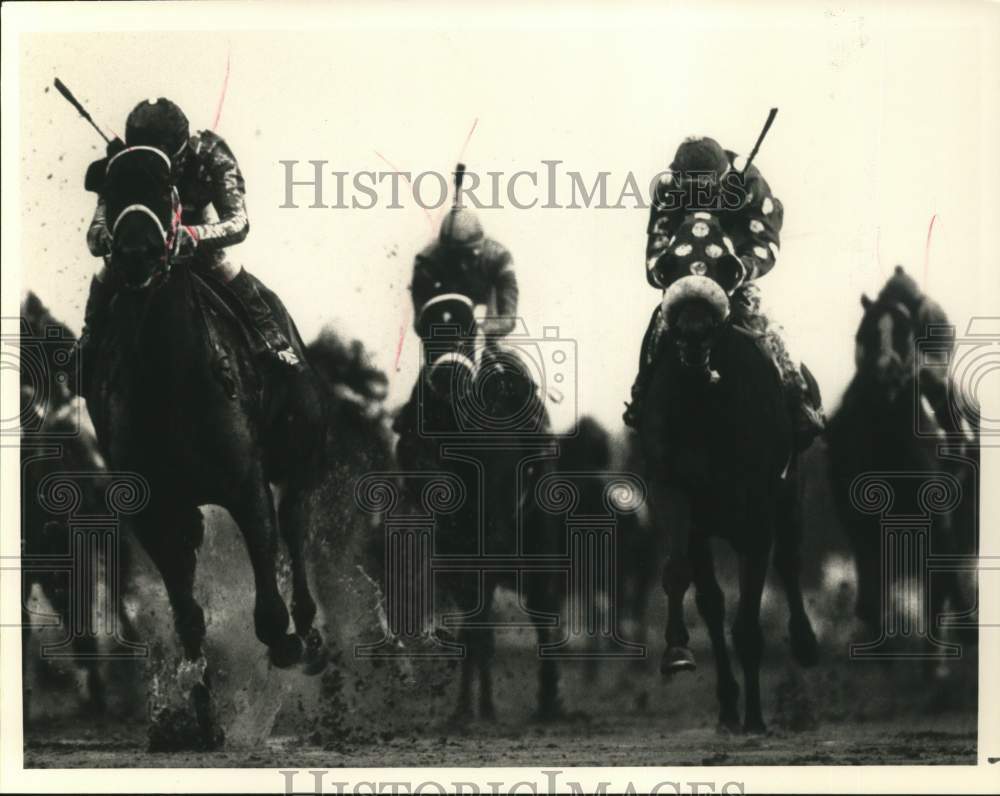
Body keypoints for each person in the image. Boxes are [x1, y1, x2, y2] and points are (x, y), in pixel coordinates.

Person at [623, 135, 825, 450]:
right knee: (659, 329)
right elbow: (656, 248)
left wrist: (739, 268)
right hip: (684, 283)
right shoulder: (666, 189)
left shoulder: (750, 183)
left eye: (706, 187)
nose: (699, 195)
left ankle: (798, 399)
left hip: (735, 280)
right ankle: (642, 395)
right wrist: (670, 271)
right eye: (691, 188)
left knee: (767, 329)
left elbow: (766, 243)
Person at [77, 97, 299, 383]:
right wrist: (110, 238)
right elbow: (96, 230)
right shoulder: (125, 161)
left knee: (225, 267)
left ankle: (271, 340)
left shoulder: (212, 153)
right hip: (146, 244)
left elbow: (239, 222)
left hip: (197, 231)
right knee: (105, 273)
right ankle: (89, 343)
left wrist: (195, 234)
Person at [392, 205, 518, 438]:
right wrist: (446, 330)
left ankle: (540, 434)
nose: (461, 266)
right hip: (447, 339)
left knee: (518, 372)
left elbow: (509, 318)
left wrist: (478, 330)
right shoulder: (426, 261)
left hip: (486, 334)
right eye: (453, 259)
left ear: (480, 250)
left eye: (468, 258)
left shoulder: (500, 258)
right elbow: (421, 322)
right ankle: (408, 434)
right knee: (424, 390)